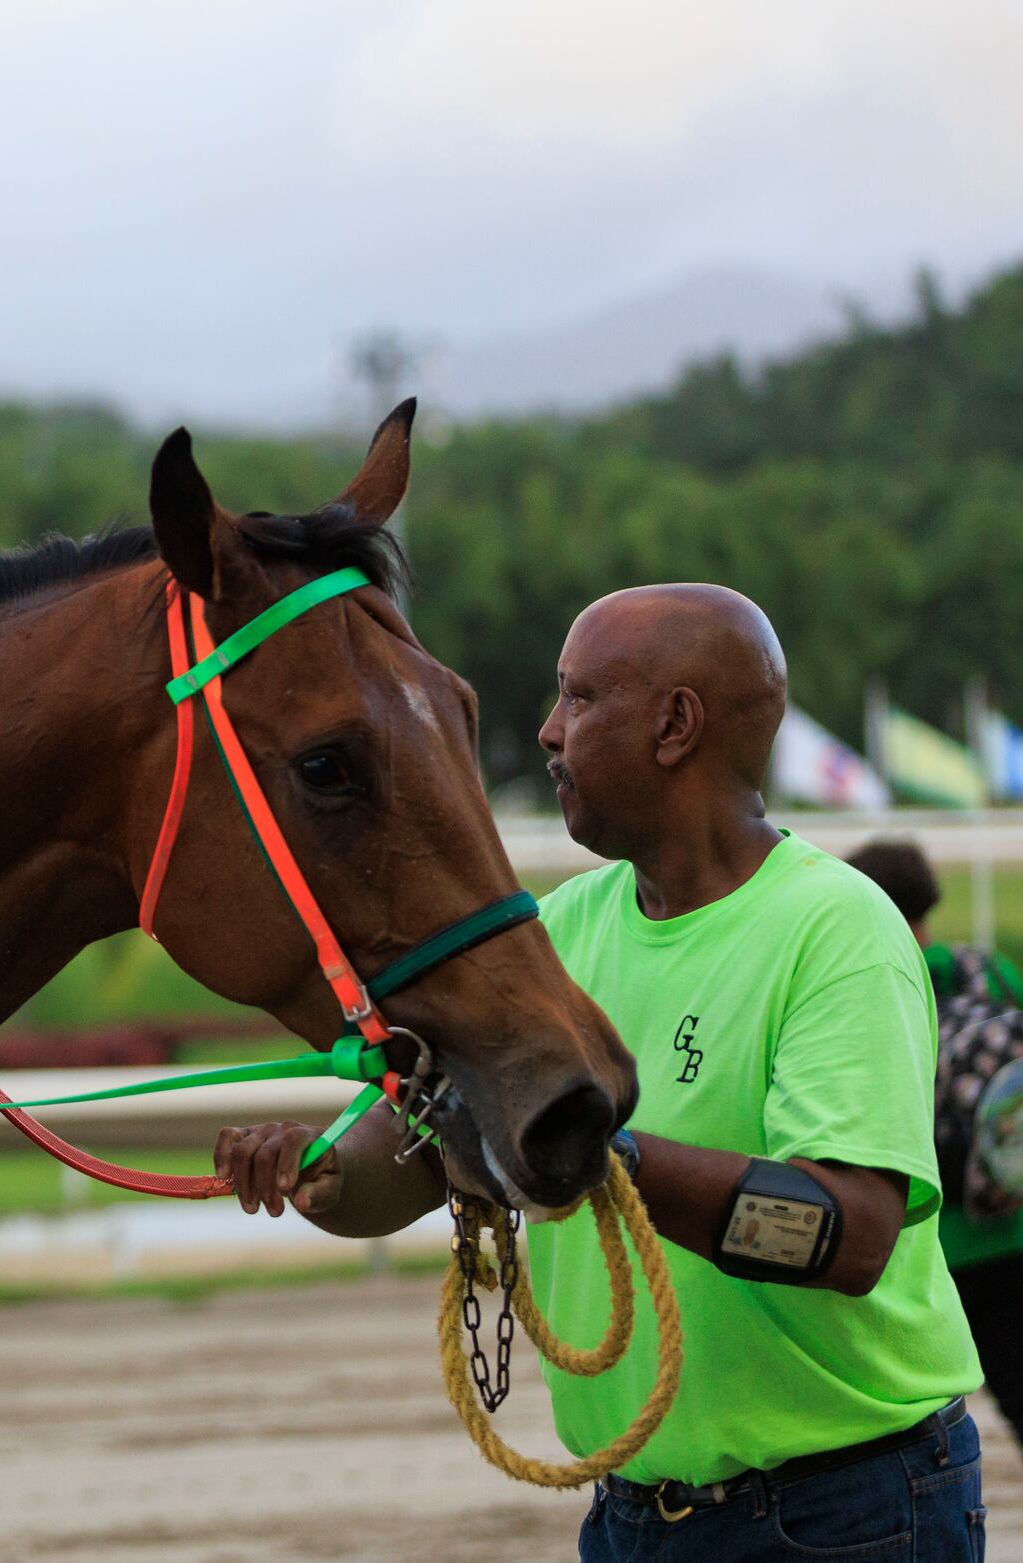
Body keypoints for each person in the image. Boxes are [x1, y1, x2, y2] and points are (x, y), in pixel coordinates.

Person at [214, 585, 985, 1559]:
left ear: (674, 726)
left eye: (577, 699)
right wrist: (319, 1170)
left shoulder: (836, 933)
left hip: (844, 1512)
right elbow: (426, 1148)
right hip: (633, 1518)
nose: (546, 731)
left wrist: (600, 1157)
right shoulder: (559, 932)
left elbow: (849, 1236)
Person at [846, 836, 1023, 1455]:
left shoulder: (870, 984)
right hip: (1012, 1221)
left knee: (923, 1420)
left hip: (934, 1247)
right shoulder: (990, 970)